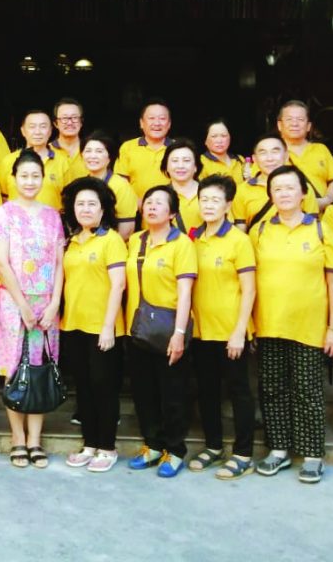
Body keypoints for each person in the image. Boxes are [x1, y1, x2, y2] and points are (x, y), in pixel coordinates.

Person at [250, 165, 333, 484]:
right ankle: (279, 450)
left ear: (304, 193)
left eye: (290, 187)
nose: (284, 194)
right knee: (272, 389)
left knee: (307, 391)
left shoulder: (319, 229)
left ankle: (313, 455)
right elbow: (247, 279)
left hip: (309, 326)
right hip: (268, 323)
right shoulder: (260, 231)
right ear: (270, 195)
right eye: (277, 189)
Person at [0, 149, 65, 469]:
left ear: (43, 178)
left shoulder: (52, 216)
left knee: (40, 366)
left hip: (46, 303)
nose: (30, 181)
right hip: (13, 302)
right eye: (24, 176)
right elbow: (0, 262)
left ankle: (35, 440)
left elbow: (60, 264)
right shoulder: (3, 214)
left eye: (36, 176)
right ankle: (17, 439)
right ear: (14, 179)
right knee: (14, 367)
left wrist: (54, 303)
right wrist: (22, 305)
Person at [187, 175, 257, 480]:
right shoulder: (193, 239)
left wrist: (240, 330)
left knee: (239, 391)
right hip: (201, 330)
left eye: (215, 200)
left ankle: (243, 453)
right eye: (204, 200)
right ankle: (213, 446)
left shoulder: (239, 240)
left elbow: (250, 289)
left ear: (228, 205)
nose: (209, 205)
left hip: (231, 331)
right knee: (207, 391)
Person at [124, 185, 197, 478]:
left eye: (159, 203)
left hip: (168, 329)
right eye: (149, 203)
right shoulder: (136, 241)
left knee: (172, 395)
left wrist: (179, 333)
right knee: (144, 392)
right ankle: (152, 445)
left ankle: (175, 450)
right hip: (137, 328)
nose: (152, 207)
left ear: (172, 213)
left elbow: (186, 291)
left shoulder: (181, 244)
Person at [60, 177, 127, 473]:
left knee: (104, 386)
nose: (85, 209)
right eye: (80, 204)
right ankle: (89, 444)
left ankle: (107, 446)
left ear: (103, 209)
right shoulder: (72, 241)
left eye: (91, 204)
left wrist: (108, 326)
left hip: (103, 327)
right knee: (84, 386)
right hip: (73, 324)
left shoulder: (111, 240)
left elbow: (118, 285)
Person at [232, 133, 327, 232]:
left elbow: (312, 227)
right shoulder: (242, 191)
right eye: (263, 153)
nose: (270, 158)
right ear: (255, 159)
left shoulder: (302, 187)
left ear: (286, 156)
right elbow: (241, 230)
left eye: (275, 151)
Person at [0, 110, 71, 210]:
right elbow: (3, 197)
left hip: (51, 219)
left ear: (50, 131)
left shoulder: (63, 162)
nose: (37, 132)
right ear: (23, 131)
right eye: (32, 127)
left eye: (43, 127)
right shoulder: (8, 161)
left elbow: (69, 200)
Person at [277, 100, 333, 210]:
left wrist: (326, 200)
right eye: (289, 119)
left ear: (308, 126)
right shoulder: (272, 152)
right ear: (280, 125)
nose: (294, 124)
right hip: (282, 215)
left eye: (300, 119)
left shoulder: (320, 149)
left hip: (319, 216)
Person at [81, 130, 138, 240]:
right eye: (88, 151)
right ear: (82, 155)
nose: (92, 156)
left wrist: (104, 246)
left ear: (109, 157)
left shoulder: (120, 185)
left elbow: (127, 230)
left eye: (99, 151)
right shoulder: (80, 185)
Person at [116, 99, 172, 200]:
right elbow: (121, 182)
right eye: (151, 118)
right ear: (141, 123)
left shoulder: (178, 148)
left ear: (169, 124)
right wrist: (137, 203)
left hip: (171, 206)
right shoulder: (128, 147)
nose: (157, 123)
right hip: (135, 206)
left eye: (162, 118)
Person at [162, 138, 203, 233]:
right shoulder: (160, 196)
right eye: (175, 161)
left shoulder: (212, 193)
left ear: (196, 166)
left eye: (186, 160)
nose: (180, 166)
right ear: (166, 166)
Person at [51, 98, 88, 179]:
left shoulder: (91, 150)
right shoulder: (46, 151)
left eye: (74, 117)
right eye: (64, 118)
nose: (70, 122)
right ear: (55, 123)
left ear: (81, 122)